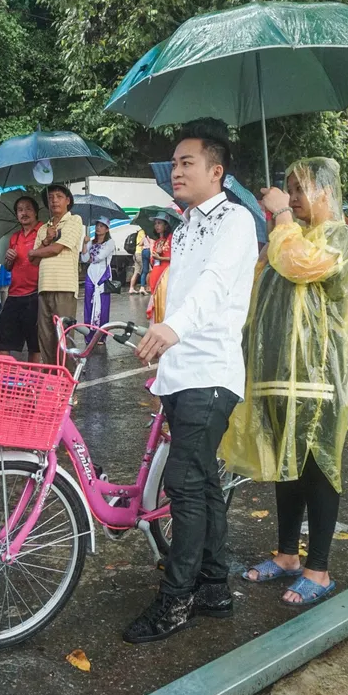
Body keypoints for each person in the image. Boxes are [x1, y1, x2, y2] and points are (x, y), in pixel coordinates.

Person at [124, 119, 256, 644]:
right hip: (182, 371)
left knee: (182, 485)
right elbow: (176, 299)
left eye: (187, 163)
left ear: (216, 171)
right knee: (200, 483)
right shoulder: (183, 227)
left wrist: (173, 328)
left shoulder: (236, 221)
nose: (176, 171)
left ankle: (176, 602)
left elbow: (215, 285)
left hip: (213, 372)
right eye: (174, 163)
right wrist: (162, 348)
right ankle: (215, 587)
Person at [222, 158, 348, 606]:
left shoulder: (341, 237)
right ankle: (286, 555)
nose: (294, 198)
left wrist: (281, 217)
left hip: (319, 378)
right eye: (289, 190)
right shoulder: (286, 238)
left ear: (325, 192)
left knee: (318, 467)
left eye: (300, 190)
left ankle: (318, 569)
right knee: (286, 465)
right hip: (278, 376)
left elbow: (303, 266)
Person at [30, 184, 84, 368]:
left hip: (64, 286)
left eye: (59, 196)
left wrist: (38, 250)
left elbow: (56, 249)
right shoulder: (43, 228)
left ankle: (66, 383)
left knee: (64, 337)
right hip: (44, 286)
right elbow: (34, 261)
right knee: (45, 337)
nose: (54, 200)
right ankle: (51, 382)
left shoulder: (75, 220)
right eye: (51, 197)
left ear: (68, 200)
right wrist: (46, 239)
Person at [0, 195, 43, 362]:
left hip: (35, 294)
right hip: (14, 294)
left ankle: (33, 383)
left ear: (36, 212)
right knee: (2, 340)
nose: (24, 213)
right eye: (20, 210)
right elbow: (8, 267)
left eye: (28, 208)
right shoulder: (14, 237)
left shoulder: (44, 232)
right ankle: (4, 382)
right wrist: (8, 259)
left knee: (34, 344)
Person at [81, 217, 115, 334]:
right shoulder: (91, 242)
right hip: (90, 276)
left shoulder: (110, 243)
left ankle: (101, 335)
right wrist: (84, 244)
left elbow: (99, 257)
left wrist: (91, 258)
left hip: (102, 277)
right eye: (97, 225)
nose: (98, 228)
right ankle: (89, 334)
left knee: (103, 306)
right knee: (88, 304)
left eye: (101, 226)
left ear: (106, 229)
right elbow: (84, 258)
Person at [145, 215, 173, 324]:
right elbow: (153, 261)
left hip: (165, 274)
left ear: (166, 225)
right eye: (155, 223)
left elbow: (175, 258)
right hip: (156, 274)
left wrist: (160, 257)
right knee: (156, 303)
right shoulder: (157, 241)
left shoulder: (171, 238)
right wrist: (157, 253)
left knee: (163, 302)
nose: (157, 226)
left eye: (159, 223)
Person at [128, 226, 146, 294]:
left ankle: (131, 288)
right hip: (140, 254)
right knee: (147, 271)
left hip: (136, 253)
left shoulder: (139, 232)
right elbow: (143, 242)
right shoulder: (142, 232)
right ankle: (145, 287)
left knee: (136, 272)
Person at [138, 227, 153, 294]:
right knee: (152, 270)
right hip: (149, 251)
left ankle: (142, 287)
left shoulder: (145, 236)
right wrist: (152, 254)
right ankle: (151, 286)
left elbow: (140, 244)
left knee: (144, 271)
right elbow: (152, 244)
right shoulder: (152, 236)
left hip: (143, 251)